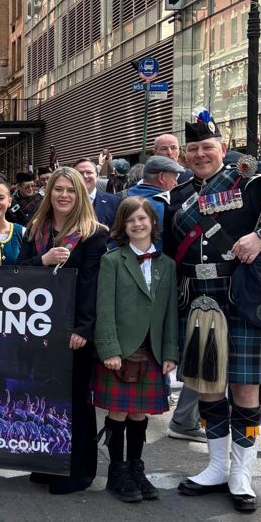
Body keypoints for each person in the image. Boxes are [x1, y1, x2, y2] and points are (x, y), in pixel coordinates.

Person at [164, 113, 261, 512]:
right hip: (198, 298)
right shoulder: (178, 197)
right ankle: (214, 466)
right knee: (209, 385)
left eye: (206, 148)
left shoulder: (255, 182)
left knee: (245, 389)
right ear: (184, 154)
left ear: (222, 150)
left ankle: (241, 472)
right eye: (192, 149)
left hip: (244, 298)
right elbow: (167, 252)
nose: (199, 155)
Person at [19, 166, 108, 494]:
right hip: (39, 329)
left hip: (73, 330)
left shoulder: (93, 233)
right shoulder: (34, 230)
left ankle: (79, 471)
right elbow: (15, 273)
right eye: (58, 189)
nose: (64, 195)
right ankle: (48, 463)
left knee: (77, 401)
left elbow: (91, 284)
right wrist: (42, 262)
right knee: (46, 398)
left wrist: (84, 327)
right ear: (49, 192)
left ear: (81, 194)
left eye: (71, 190)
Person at [93, 197, 179, 502]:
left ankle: (136, 469)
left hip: (152, 351)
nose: (138, 224)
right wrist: (109, 349)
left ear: (152, 223)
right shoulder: (112, 260)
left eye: (143, 219)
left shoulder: (167, 265)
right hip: (121, 350)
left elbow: (170, 312)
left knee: (140, 413)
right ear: (123, 226)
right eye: (131, 220)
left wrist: (170, 352)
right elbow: (104, 310)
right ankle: (117, 472)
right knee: (118, 411)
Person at [124, 155, 185, 234]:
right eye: (174, 178)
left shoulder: (122, 197)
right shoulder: (164, 207)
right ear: (161, 177)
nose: (176, 183)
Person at [73, 157, 121, 226]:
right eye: (80, 173)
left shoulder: (115, 202)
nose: (85, 176)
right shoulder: (65, 202)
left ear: (97, 175)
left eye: (89, 172)